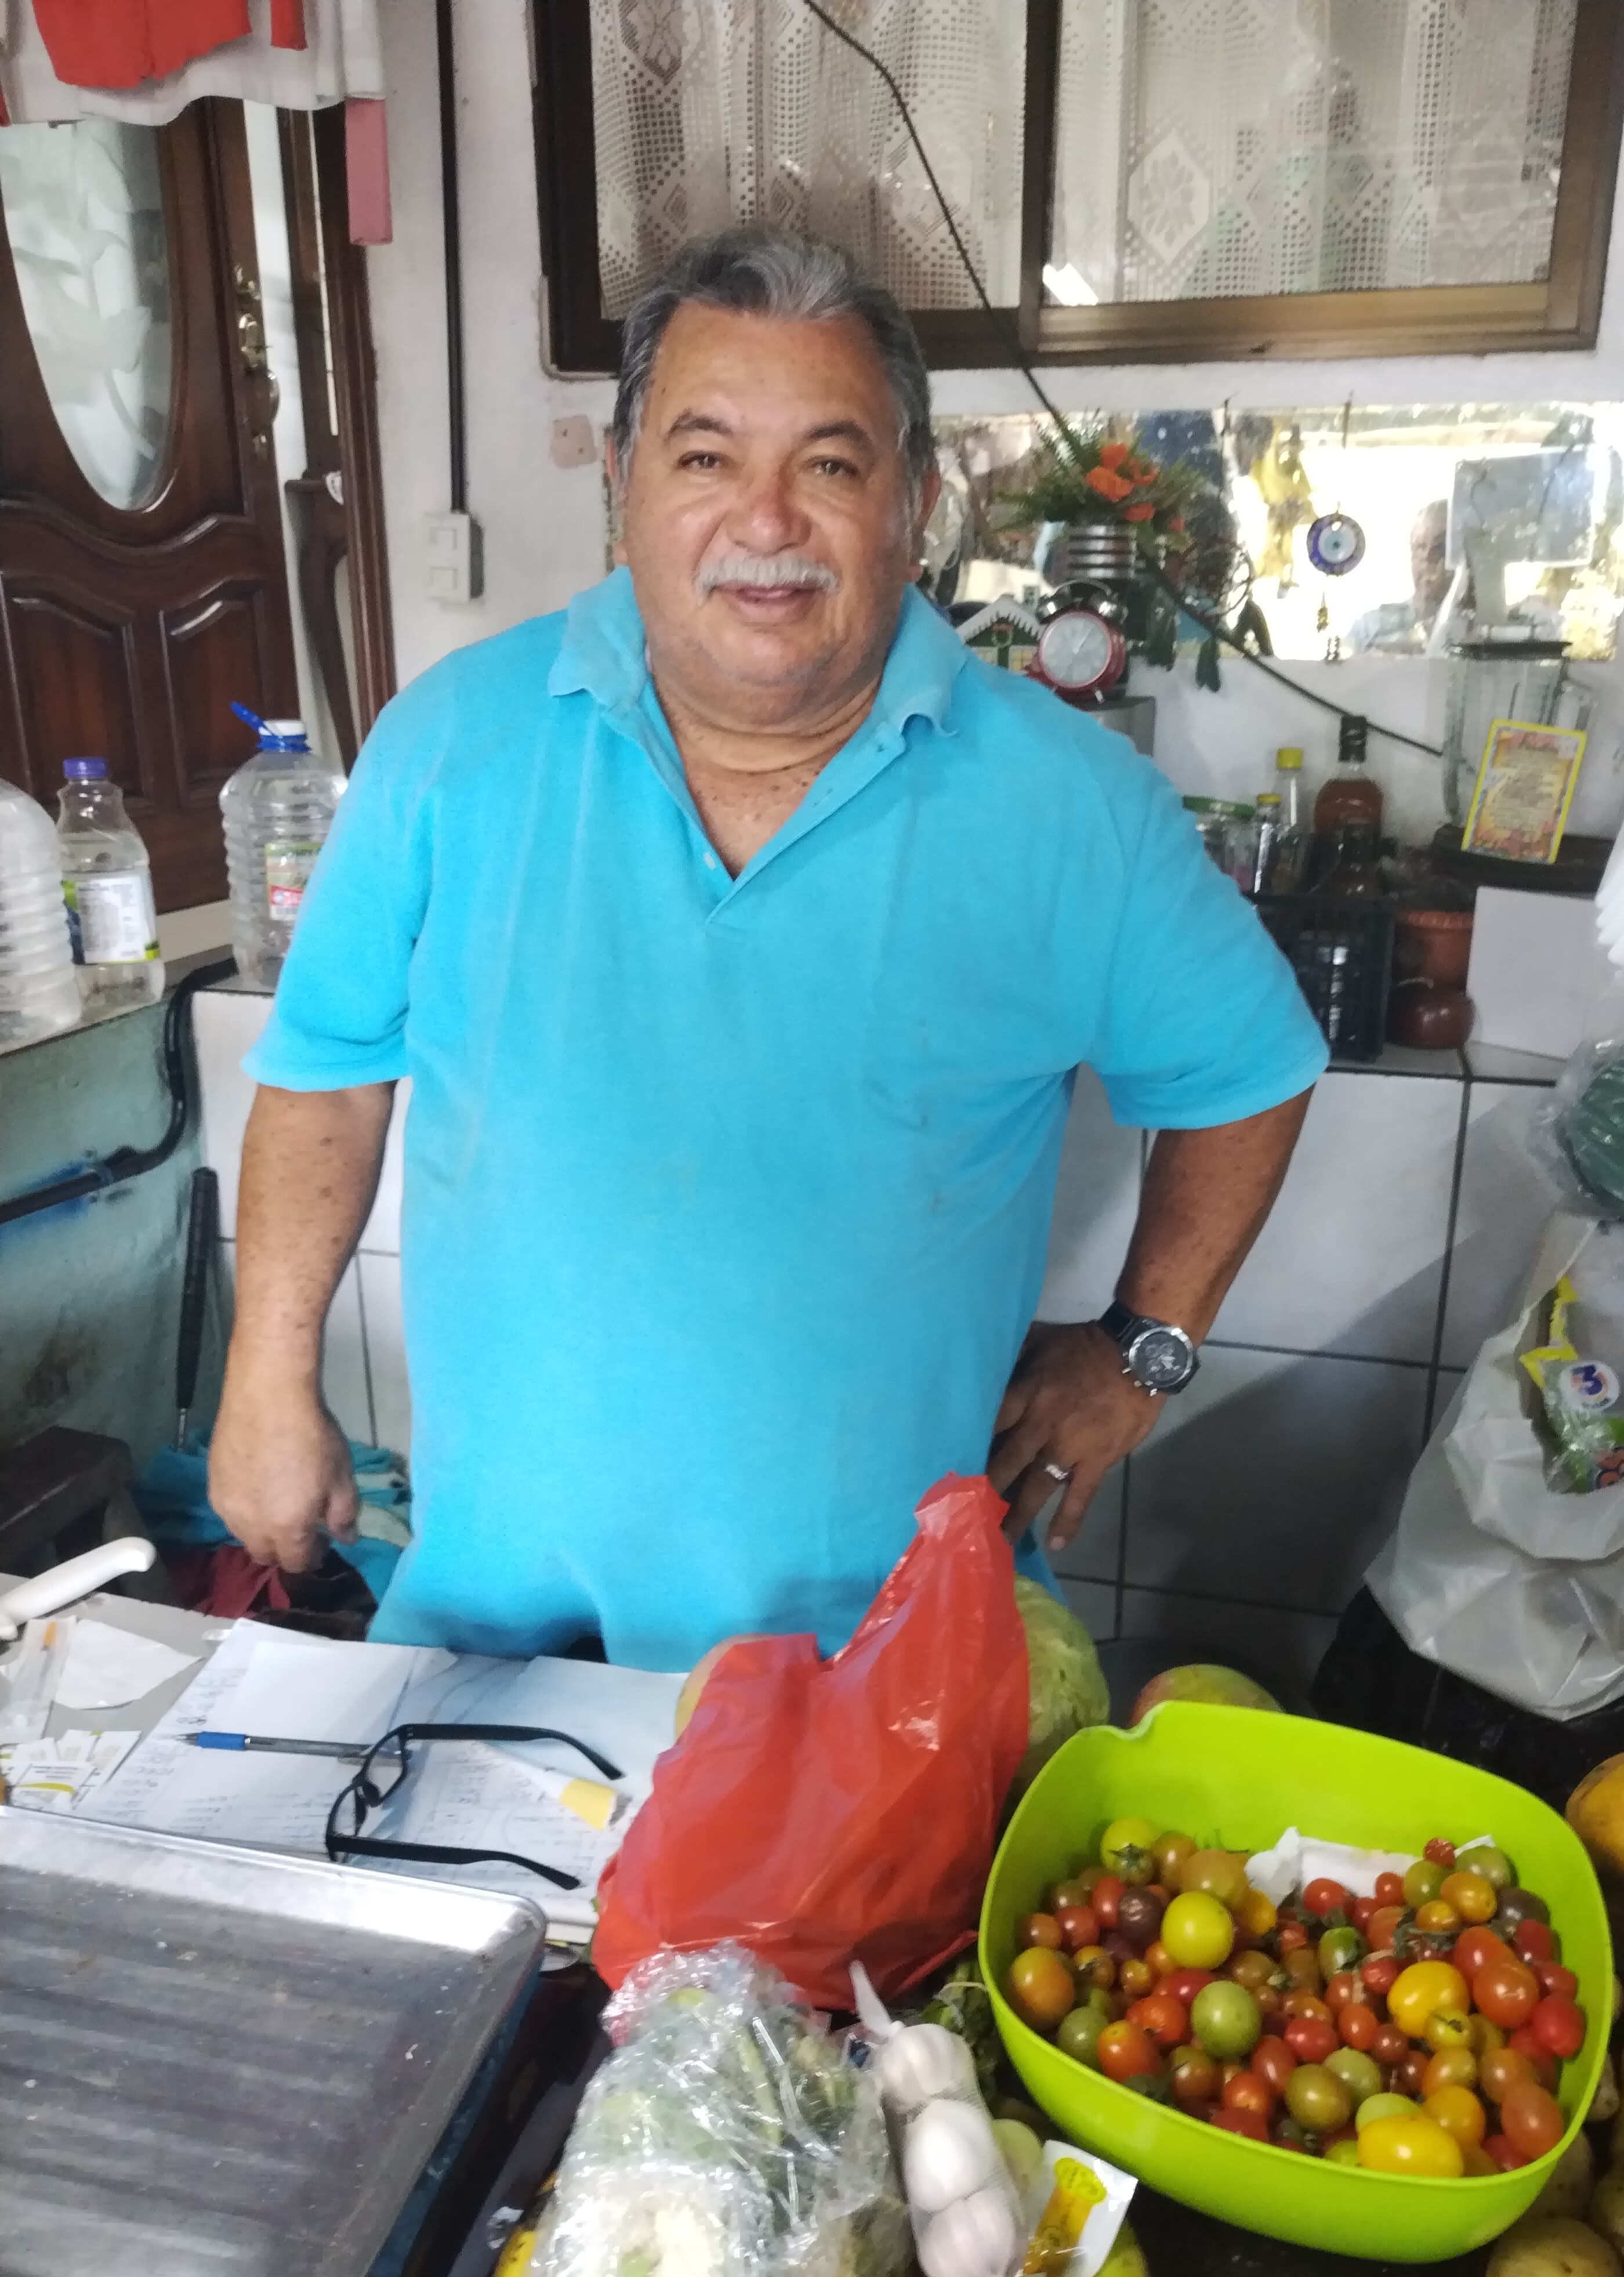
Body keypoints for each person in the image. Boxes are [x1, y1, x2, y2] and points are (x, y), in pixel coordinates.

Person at [208, 227, 1326, 1671]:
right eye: (704, 456)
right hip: (497, 1632)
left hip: (877, 1665)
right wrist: (264, 1371)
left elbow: (1247, 1070)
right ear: (621, 488)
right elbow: (326, 1077)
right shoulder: (449, 743)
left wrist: (1141, 1350)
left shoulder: (1072, 802)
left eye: (831, 463)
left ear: (912, 505)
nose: (766, 520)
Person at [1345, 499, 1452, 655]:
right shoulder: (1370, 629)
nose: (1428, 557)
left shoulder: (1482, 634)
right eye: (1420, 546)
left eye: (1440, 547)